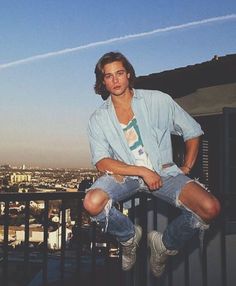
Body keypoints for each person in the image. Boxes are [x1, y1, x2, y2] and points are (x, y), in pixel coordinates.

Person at [83, 51, 221, 277]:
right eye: (108, 76)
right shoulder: (98, 118)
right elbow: (101, 161)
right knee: (92, 202)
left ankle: (165, 244)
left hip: (164, 173)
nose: (115, 80)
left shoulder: (158, 100)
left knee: (210, 208)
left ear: (128, 75)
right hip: (125, 176)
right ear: (103, 82)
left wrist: (186, 168)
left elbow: (192, 130)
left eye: (119, 73)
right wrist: (142, 171)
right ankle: (128, 237)